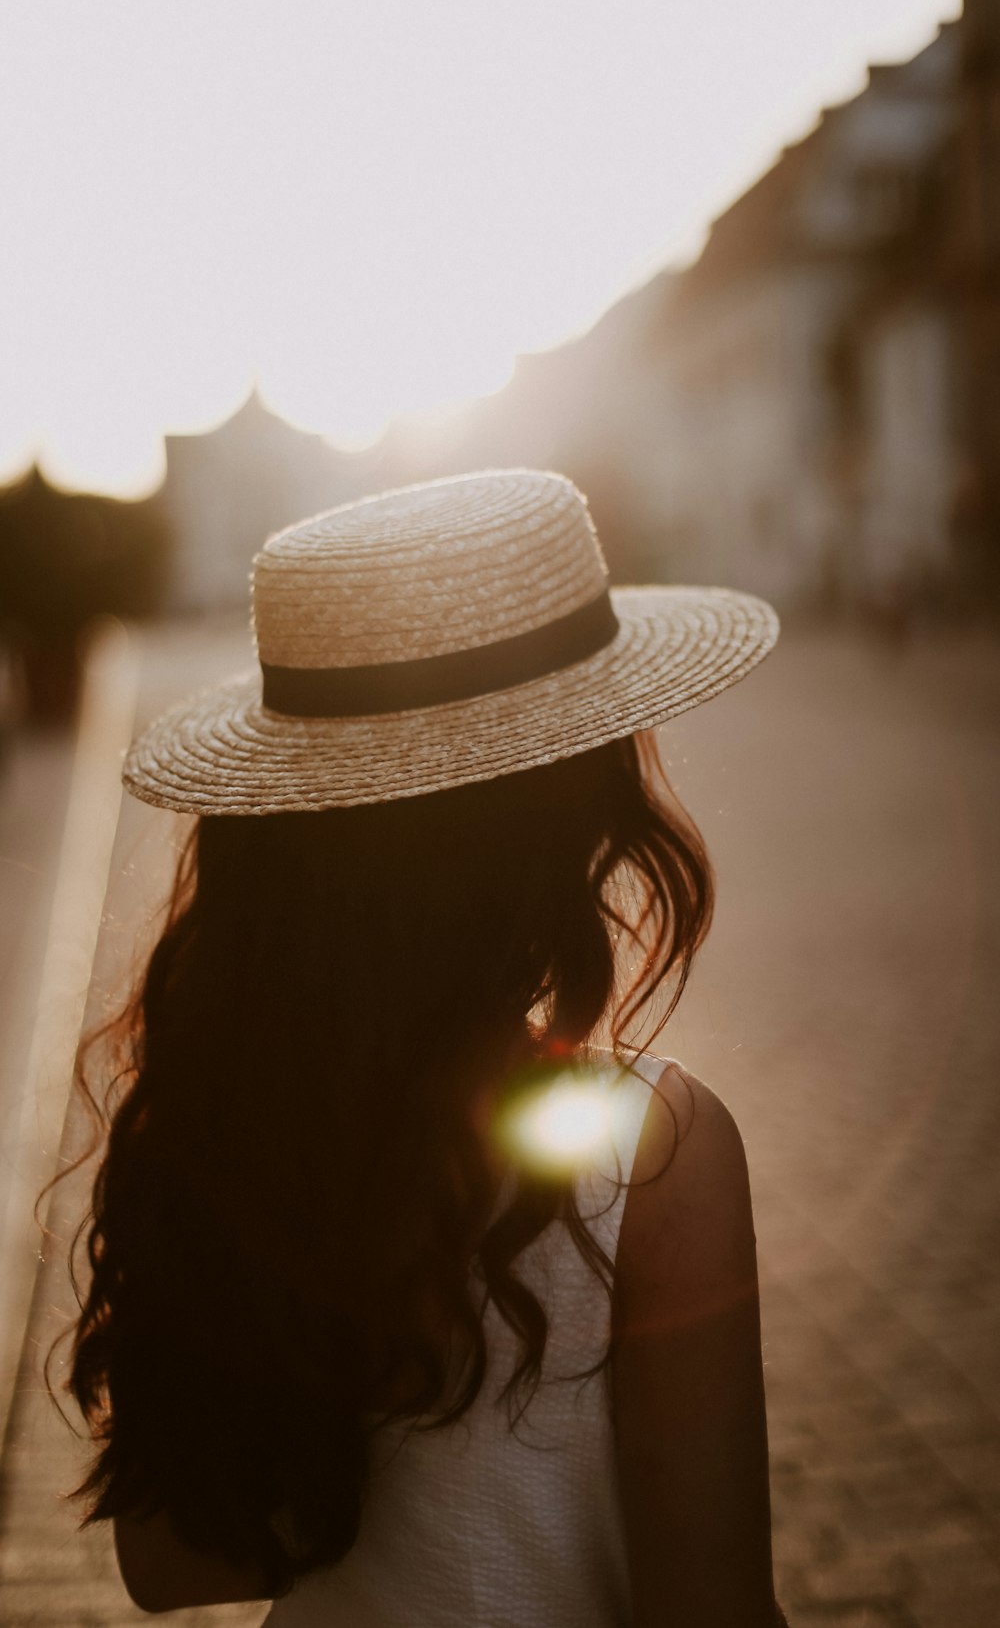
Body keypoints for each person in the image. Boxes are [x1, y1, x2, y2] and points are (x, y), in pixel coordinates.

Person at [65, 468, 785, 1625]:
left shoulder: (220, 1124)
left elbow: (176, 1568)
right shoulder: (648, 1154)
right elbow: (714, 1610)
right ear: (577, 811)